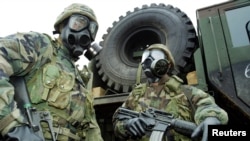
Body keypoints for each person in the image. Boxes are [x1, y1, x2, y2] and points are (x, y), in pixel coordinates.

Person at [0, 3, 103, 141]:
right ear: (62, 25)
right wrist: (13, 126)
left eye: (92, 30)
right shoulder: (41, 46)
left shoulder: (80, 80)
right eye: (78, 24)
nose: (86, 33)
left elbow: (91, 129)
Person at [112, 44, 228, 141]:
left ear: (168, 64)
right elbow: (118, 124)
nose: (148, 62)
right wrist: (127, 125)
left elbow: (207, 106)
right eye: (146, 58)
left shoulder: (186, 92)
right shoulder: (136, 95)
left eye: (156, 57)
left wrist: (210, 118)